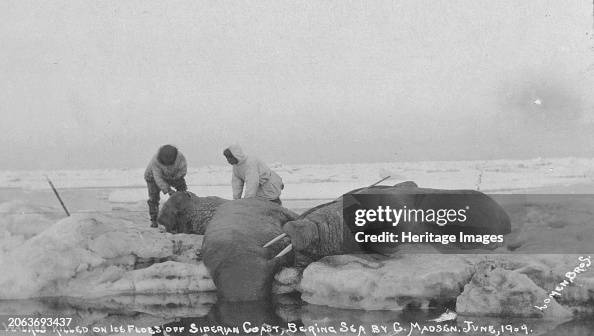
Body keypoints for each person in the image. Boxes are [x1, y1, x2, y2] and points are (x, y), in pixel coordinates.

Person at [144, 145, 188, 227]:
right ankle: (154, 219)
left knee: (182, 192)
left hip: (172, 175)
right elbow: (158, 179)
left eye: (169, 161)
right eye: (165, 162)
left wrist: (175, 178)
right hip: (152, 177)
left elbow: (183, 170)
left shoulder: (180, 157)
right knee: (154, 198)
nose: (167, 163)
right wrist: (168, 190)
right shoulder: (155, 161)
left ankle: (181, 215)